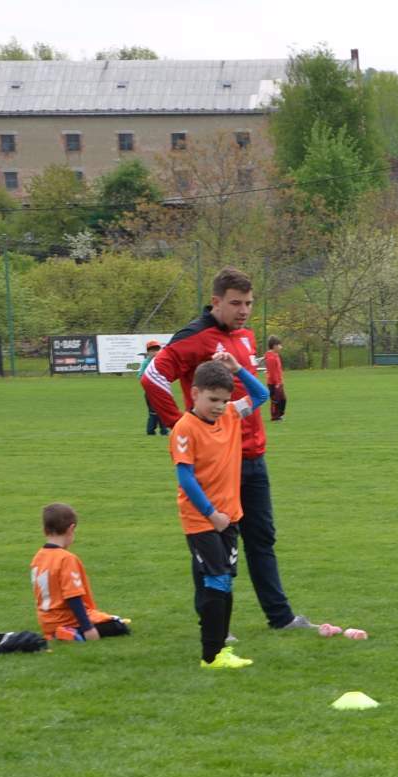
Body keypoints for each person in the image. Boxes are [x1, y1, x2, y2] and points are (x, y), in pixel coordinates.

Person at [144, 268, 313, 631]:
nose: (244, 310)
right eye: (236, 303)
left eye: (249, 303)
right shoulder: (195, 337)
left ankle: (281, 618)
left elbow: (257, 394)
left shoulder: (246, 336)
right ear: (216, 301)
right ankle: (215, 623)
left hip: (254, 456)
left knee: (262, 539)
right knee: (211, 544)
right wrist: (180, 424)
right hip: (218, 464)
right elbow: (152, 376)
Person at [171, 352, 270, 669]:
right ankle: (211, 655)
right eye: (213, 399)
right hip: (202, 519)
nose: (219, 406)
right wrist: (211, 513)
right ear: (194, 393)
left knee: (225, 580)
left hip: (230, 516)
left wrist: (238, 368)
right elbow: (185, 477)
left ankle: (220, 650)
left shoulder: (230, 414)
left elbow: (261, 395)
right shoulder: (185, 429)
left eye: (224, 400)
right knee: (216, 578)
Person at [31, 503, 131, 643]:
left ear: (44, 530)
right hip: (68, 620)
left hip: (47, 623)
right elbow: (73, 596)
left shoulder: (38, 558)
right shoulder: (66, 559)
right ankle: (72, 633)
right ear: (71, 529)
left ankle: (57, 632)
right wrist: (88, 628)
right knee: (119, 626)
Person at [142, 340, 165, 435]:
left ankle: (164, 430)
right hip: (150, 392)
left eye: (157, 350)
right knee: (153, 412)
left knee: (162, 410)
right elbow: (140, 376)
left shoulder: (162, 361)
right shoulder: (146, 363)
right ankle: (151, 430)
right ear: (148, 352)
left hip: (161, 391)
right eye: (152, 350)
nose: (155, 352)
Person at [263, 336, 288, 421]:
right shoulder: (271, 358)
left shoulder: (275, 355)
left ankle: (280, 414)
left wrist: (280, 381)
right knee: (275, 400)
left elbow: (277, 370)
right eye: (279, 345)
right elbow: (272, 372)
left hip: (279, 382)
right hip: (273, 383)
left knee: (283, 399)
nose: (281, 347)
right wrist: (277, 383)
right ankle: (275, 417)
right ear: (274, 346)